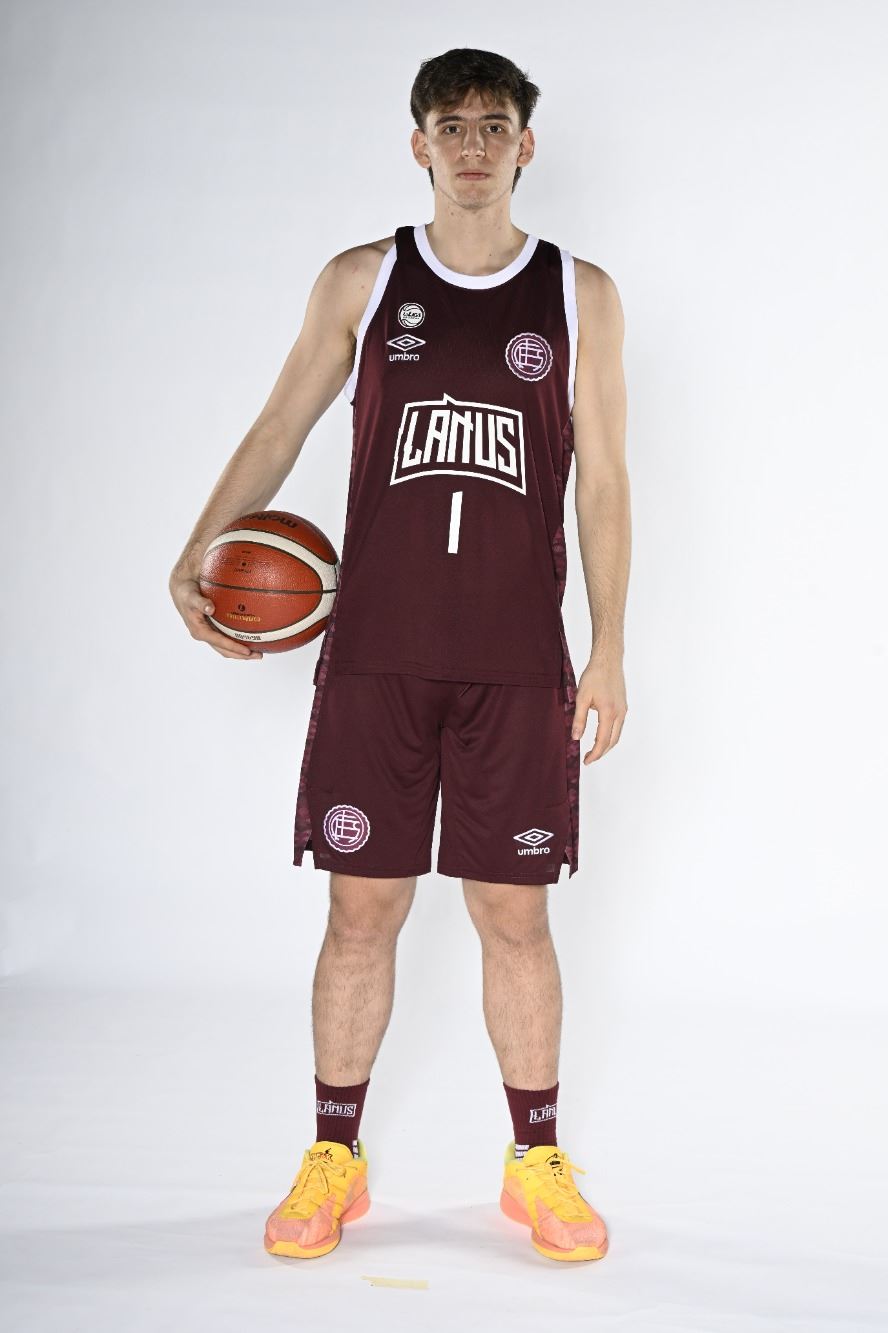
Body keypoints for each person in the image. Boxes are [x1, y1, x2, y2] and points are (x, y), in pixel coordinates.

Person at [169, 47, 629, 1264]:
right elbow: (281, 421)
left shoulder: (579, 293)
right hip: (378, 650)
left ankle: (536, 1159)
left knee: (515, 914)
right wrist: (201, 546)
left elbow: (605, 483)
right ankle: (335, 1155)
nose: (474, 146)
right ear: (418, 145)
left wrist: (611, 646)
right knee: (360, 907)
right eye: (451, 126)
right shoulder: (363, 282)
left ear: (527, 144)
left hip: (517, 658)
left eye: (494, 125)